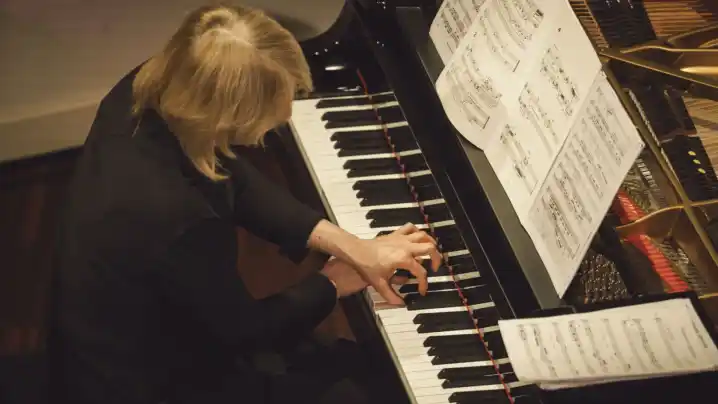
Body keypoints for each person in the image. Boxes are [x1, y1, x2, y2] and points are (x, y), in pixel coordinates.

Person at [47, 3, 441, 404]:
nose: (281, 119)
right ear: (224, 116)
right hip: (146, 383)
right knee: (369, 391)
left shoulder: (148, 89)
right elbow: (244, 333)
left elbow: (226, 172)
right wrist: (334, 281)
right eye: (270, 115)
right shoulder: (174, 216)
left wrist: (350, 246)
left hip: (136, 335)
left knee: (356, 367)